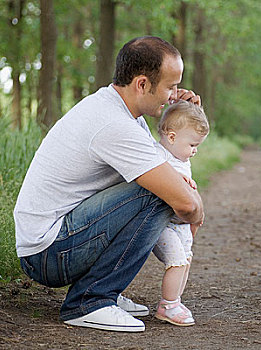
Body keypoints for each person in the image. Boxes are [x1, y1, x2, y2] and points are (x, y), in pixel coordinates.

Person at [13, 36, 204, 333]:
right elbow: (184, 203)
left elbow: (165, 162)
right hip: (48, 253)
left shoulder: (121, 110)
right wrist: (198, 213)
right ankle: (89, 301)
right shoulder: (114, 124)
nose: (175, 93)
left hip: (56, 241)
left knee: (159, 184)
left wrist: (180, 117)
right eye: (170, 86)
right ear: (142, 84)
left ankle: (102, 291)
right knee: (157, 192)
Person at [150, 100, 209, 327]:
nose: (195, 151)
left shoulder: (181, 157)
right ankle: (167, 305)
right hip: (163, 223)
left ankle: (176, 300)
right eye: (192, 145)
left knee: (185, 259)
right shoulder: (158, 156)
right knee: (175, 261)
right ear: (172, 137)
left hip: (181, 224)